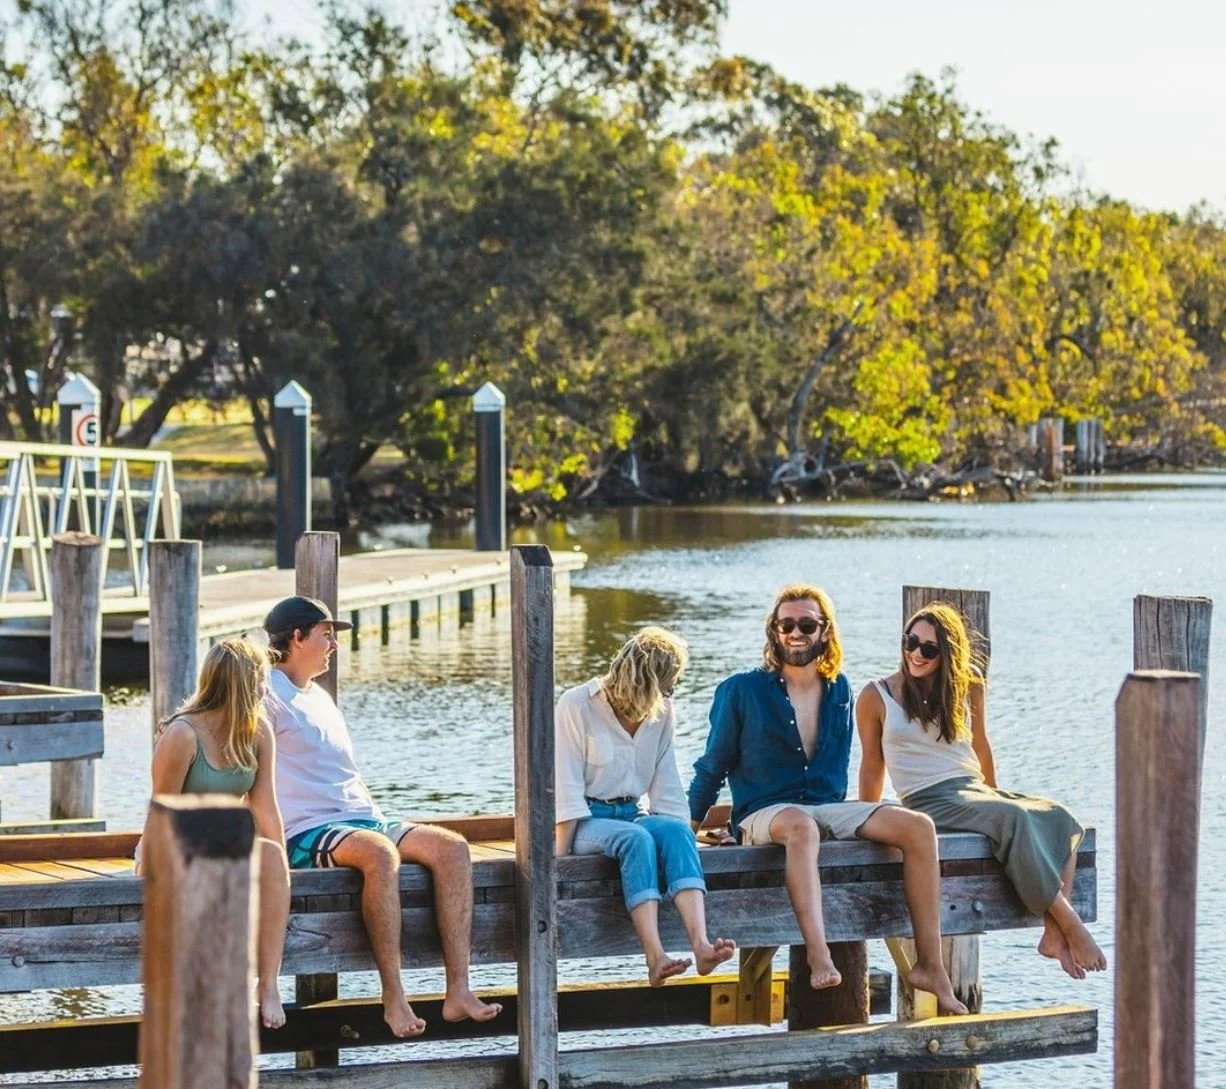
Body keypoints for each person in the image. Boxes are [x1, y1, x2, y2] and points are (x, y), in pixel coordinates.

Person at [688, 585, 967, 1014]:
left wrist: (866, 814)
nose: (795, 633)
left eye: (806, 624)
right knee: (800, 824)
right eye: (786, 625)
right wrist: (689, 828)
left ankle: (930, 965)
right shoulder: (740, 690)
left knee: (918, 827)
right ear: (774, 632)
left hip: (824, 807)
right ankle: (819, 953)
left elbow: (849, 775)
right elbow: (712, 766)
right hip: (764, 813)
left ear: (825, 632)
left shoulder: (840, 690)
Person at [262, 595, 500, 1039]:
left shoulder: (319, 697)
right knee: (381, 856)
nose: (333, 643)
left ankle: (459, 991)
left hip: (362, 816)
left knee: (452, 848)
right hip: (307, 828)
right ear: (296, 638)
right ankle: (394, 996)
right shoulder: (266, 694)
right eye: (326, 634)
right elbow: (233, 754)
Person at [856, 602, 1106, 979]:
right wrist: (866, 817)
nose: (915, 653)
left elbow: (981, 745)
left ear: (948, 654)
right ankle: (1071, 924)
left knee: (1062, 819)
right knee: (1014, 819)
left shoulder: (968, 682)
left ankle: (1053, 933)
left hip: (971, 790)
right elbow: (872, 764)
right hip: (927, 799)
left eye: (928, 649)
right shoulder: (876, 695)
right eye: (910, 642)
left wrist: (993, 797)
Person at [555, 627, 736, 986]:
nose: (672, 692)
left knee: (674, 830)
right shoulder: (577, 705)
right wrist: (559, 863)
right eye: (670, 683)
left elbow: (666, 782)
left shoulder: (662, 712)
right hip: (588, 820)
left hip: (631, 813)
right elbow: (566, 787)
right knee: (635, 840)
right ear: (650, 680)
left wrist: (681, 836)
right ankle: (655, 957)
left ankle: (701, 946)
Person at [142, 638, 290, 1030]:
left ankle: (268, 984)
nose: (266, 687)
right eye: (261, 678)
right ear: (243, 683)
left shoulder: (258, 733)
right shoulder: (182, 734)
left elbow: (265, 808)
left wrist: (285, 866)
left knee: (272, 857)